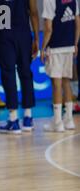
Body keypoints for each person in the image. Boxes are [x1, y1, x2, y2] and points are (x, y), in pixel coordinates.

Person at [0, 0, 39, 134]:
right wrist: (37, 38)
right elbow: (33, 12)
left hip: (4, 37)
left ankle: (13, 119)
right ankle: (28, 117)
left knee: (8, 75)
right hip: (23, 35)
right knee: (26, 73)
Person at [41, 0, 79, 132]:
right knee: (66, 82)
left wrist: (43, 47)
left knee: (56, 84)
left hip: (56, 46)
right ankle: (68, 120)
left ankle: (57, 122)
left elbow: (48, 28)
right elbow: (77, 21)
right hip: (69, 45)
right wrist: (75, 43)